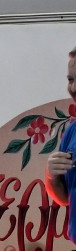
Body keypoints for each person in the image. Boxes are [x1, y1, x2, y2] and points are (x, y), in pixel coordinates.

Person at [45, 45, 76, 236]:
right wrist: (51, 176)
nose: (73, 88)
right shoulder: (72, 130)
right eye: (71, 80)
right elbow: (64, 198)